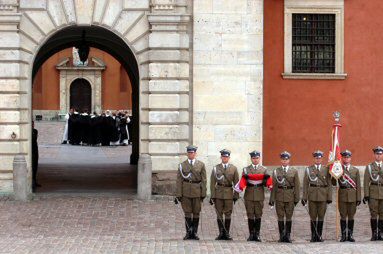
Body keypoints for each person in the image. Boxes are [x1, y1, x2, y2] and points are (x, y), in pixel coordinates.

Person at [175, 145, 207, 240]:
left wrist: (203, 193)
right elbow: (179, 180)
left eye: (192, 153)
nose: (191, 154)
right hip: (186, 192)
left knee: (196, 212)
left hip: (197, 191)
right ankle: (188, 233)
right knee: (187, 213)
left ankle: (195, 233)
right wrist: (179, 194)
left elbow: (204, 180)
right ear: (187, 153)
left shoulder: (201, 165)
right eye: (189, 153)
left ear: (195, 153)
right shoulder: (182, 165)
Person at [269, 151, 300, 243]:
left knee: (289, 217)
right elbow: (274, 186)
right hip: (279, 196)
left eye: (286, 159)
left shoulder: (294, 171)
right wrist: (272, 199)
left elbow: (297, 186)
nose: (284, 161)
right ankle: (282, 236)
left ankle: (288, 235)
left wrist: (296, 198)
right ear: (280, 160)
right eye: (283, 159)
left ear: (289, 160)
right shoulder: (276, 171)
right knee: (280, 216)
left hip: (290, 196)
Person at [301, 150, 332, 242]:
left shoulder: (326, 169)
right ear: (314, 158)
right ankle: (313, 236)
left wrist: (329, 197)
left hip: (323, 195)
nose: (318, 159)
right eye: (316, 158)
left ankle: (319, 235)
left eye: (319, 158)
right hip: (312, 195)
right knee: (313, 216)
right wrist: (304, 197)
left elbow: (329, 184)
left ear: (322, 159)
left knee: (321, 216)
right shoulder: (309, 169)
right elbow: (305, 184)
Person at [210, 149, 239, 240]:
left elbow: (237, 183)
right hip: (218, 193)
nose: (225, 158)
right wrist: (213, 196)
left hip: (229, 193)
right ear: (221, 157)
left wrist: (236, 195)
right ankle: (221, 233)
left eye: (226, 157)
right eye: (223, 156)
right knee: (219, 213)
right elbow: (212, 183)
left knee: (228, 213)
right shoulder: (216, 168)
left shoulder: (233, 168)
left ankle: (226, 233)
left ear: (229, 158)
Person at [333, 150, 361, 242]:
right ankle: (343, 235)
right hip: (342, 195)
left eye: (348, 157)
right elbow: (333, 182)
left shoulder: (355, 170)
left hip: (353, 195)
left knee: (351, 216)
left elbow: (358, 185)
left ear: (350, 158)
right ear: (342, 158)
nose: (346, 159)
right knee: (343, 215)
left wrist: (358, 198)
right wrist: (333, 172)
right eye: (344, 157)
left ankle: (350, 235)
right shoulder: (339, 169)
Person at [242, 150, 270, 242]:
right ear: (251, 159)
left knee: (258, 214)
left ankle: (257, 234)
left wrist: (267, 180)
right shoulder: (246, 169)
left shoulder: (264, 169)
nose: (255, 160)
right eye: (253, 158)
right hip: (249, 194)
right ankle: (251, 234)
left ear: (259, 158)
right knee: (250, 214)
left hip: (259, 194)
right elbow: (243, 182)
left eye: (257, 158)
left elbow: (266, 184)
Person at [364, 146, 383, 241]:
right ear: (374, 155)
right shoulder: (369, 167)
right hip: (373, 192)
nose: (378, 156)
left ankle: (381, 233)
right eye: (377, 154)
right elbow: (366, 181)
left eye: (380, 154)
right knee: (374, 214)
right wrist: (366, 195)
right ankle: (374, 233)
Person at [32, 121, 41, 191]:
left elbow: (34, 138)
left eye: (33, 124)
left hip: (35, 150)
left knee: (35, 166)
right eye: (31, 124)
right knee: (31, 166)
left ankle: (34, 181)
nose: (32, 125)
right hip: (30, 150)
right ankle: (32, 183)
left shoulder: (35, 131)